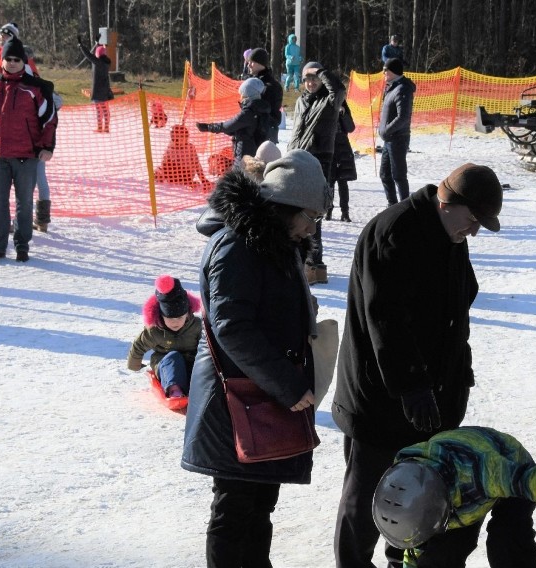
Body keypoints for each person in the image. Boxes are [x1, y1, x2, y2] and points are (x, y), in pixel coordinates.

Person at [332, 163, 506, 568]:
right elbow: (385, 321)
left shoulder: (449, 233)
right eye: (474, 220)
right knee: (368, 496)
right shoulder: (395, 233)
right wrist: (412, 386)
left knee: (418, 493)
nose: (475, 231)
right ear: (448, 203)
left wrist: (456, 371)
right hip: (380, 400)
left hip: (431, 398)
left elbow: (459, 301)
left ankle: (402, 561)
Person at [181, 149, 331, 567]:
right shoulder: (237, 244)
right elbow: (233, 326)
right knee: (235, 506)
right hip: (235, 399)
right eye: (312, 217)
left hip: (258, 395)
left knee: (260, 500)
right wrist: (287, 382)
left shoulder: (273, 241)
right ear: (288, 207)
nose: (312, 229)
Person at [372, 426, 536, 568]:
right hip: (448, 496)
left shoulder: (487, 474)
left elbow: (535, 479)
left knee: (508, 546)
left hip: (507, 464)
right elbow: (414, 549)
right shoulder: (401, 483)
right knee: (439, 558)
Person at [0, 37, 58, 264]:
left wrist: (47, 147)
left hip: (27, 156)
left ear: (23, 61)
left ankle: (22, 245)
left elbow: (49, 120)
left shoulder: (35, 88)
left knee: (24, 203)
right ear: (3, 60)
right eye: (9, 59)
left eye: (17, 59)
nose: (13, 62)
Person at [287, 61, 346, 285]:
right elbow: (296, 131)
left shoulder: (330, 100)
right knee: (297, 211)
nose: (311, 83)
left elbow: (338, 89)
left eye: (315, 79)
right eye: (307, 79)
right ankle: (305, 262)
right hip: (298, 158)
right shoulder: (302, 100)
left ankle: (314, 265)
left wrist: (320, 70)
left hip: (320, 159)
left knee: (314, 213)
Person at [127, 275, 203, 398]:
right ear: (161, 316)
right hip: (165, 364)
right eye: (170, 318)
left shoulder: (196, 326)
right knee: (174, 358)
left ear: (188, 314)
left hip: (190, 360)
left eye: (180, 318)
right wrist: (134, 365)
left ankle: (200, 388)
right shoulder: (155, 330)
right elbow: (139, 345)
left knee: (200, 362)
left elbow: (207, 344)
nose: (175, 322)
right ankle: (174, 390)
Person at [196, 77, 270, 166]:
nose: (240, 96)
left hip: (244, 155)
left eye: (242, 93)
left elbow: (228, 126)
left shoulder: (248, 113)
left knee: (238, 177)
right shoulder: (261, 109)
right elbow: (237, 129)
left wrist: (208, 127)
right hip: (255, 152)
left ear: (248, 94)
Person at [378, 57, 416, 206]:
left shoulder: (403, 88)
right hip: (388, 139)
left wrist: (386, 130)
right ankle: (392, 205)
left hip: (398, 138)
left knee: (399, 175)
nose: (384, 73)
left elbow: (403, 117)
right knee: (385, 174)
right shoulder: (391, 87)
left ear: (394, 71)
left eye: (386, 70)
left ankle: (405, 206)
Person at [154, 124, 212, 191]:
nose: (177, 141)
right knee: (164, 166)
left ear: (186, 137)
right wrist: (162, 171)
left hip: (186, 174)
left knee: (169, 166)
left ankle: (189, 183)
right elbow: (164, 163)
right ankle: (161, 176)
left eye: (182, 137)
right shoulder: (171, 147)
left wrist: (203, 179)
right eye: (175, 138)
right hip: (172, 173)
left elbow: (197, 164)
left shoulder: (190, 148)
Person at [326, 100, 357, 222]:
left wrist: (344, 114)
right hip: (328, 147)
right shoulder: (324, 102)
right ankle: (328, 210)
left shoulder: (342, 104)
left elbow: (350, 128)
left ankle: (345, 212)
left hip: (342, 148)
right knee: (329, 181)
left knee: (343, 182)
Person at [247, 48, 284, 144]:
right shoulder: (254, 82)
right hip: (253, 134)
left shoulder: (271, 86)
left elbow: (271, 114)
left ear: (260, 63)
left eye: (252, 62)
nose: (249, 65)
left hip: (264, 137)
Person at [77, 37, 114, 133]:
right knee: (105, 110)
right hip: (105, 91)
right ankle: (106, 127)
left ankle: (100, 127)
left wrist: (81, 46)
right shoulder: (106, 63)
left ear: (98, 55)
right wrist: (97, 44)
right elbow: (95, 54)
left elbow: (89, 55)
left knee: (99, 110)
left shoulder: (97, 62)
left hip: (97, 91)